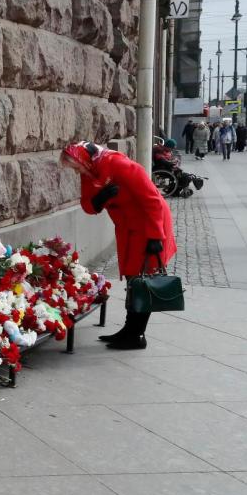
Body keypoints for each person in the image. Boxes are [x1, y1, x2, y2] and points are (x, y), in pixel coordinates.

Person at [62, 142, 176, 350]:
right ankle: (129, 330)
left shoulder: (120, 165)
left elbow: (152, 201)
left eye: (76, 167)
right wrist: (100, 198)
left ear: (84, 160)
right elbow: (88, 205)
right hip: (129, 229)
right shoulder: (90, 170)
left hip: (149, 226)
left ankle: (137, 335)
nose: (77, 171)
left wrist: (155, 238)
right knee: (134, 278)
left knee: (144, 280)